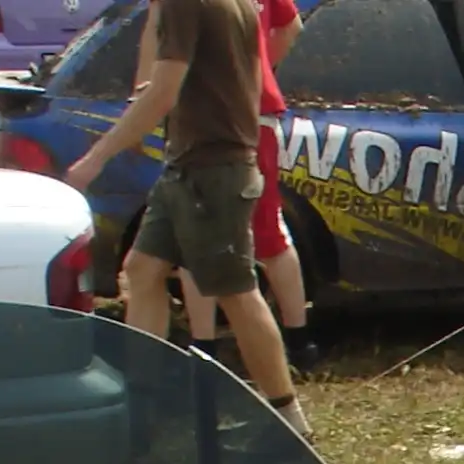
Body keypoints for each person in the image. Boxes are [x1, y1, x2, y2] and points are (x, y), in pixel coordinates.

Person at [65, 0, 305, 434]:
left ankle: (289, 424)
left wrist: (94, 160)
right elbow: (237, 72)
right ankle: (141, 410)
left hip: (213, 170)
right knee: (142, 270)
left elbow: (164, 91)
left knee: (235, 292)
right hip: (188, 164)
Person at [157, 0, 317, 375]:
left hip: (220, 115)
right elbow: (290, 25)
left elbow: (154, 35)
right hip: (241, 111)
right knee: (254, 229)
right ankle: (295, 341)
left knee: (214, 229)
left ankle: (210, 346)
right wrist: (257, 69)